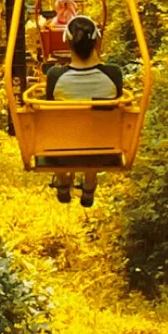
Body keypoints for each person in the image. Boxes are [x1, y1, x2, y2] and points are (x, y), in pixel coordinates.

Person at [45, 14, 123, 208]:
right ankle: (89, 182)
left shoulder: (55, 76)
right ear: (96, 42)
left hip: (63, 151)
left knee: (61, 125)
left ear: (68, 43)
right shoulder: (113, 74)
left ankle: (62, 179)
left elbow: (50, 113)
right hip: (104, 150)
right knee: (97, 123)